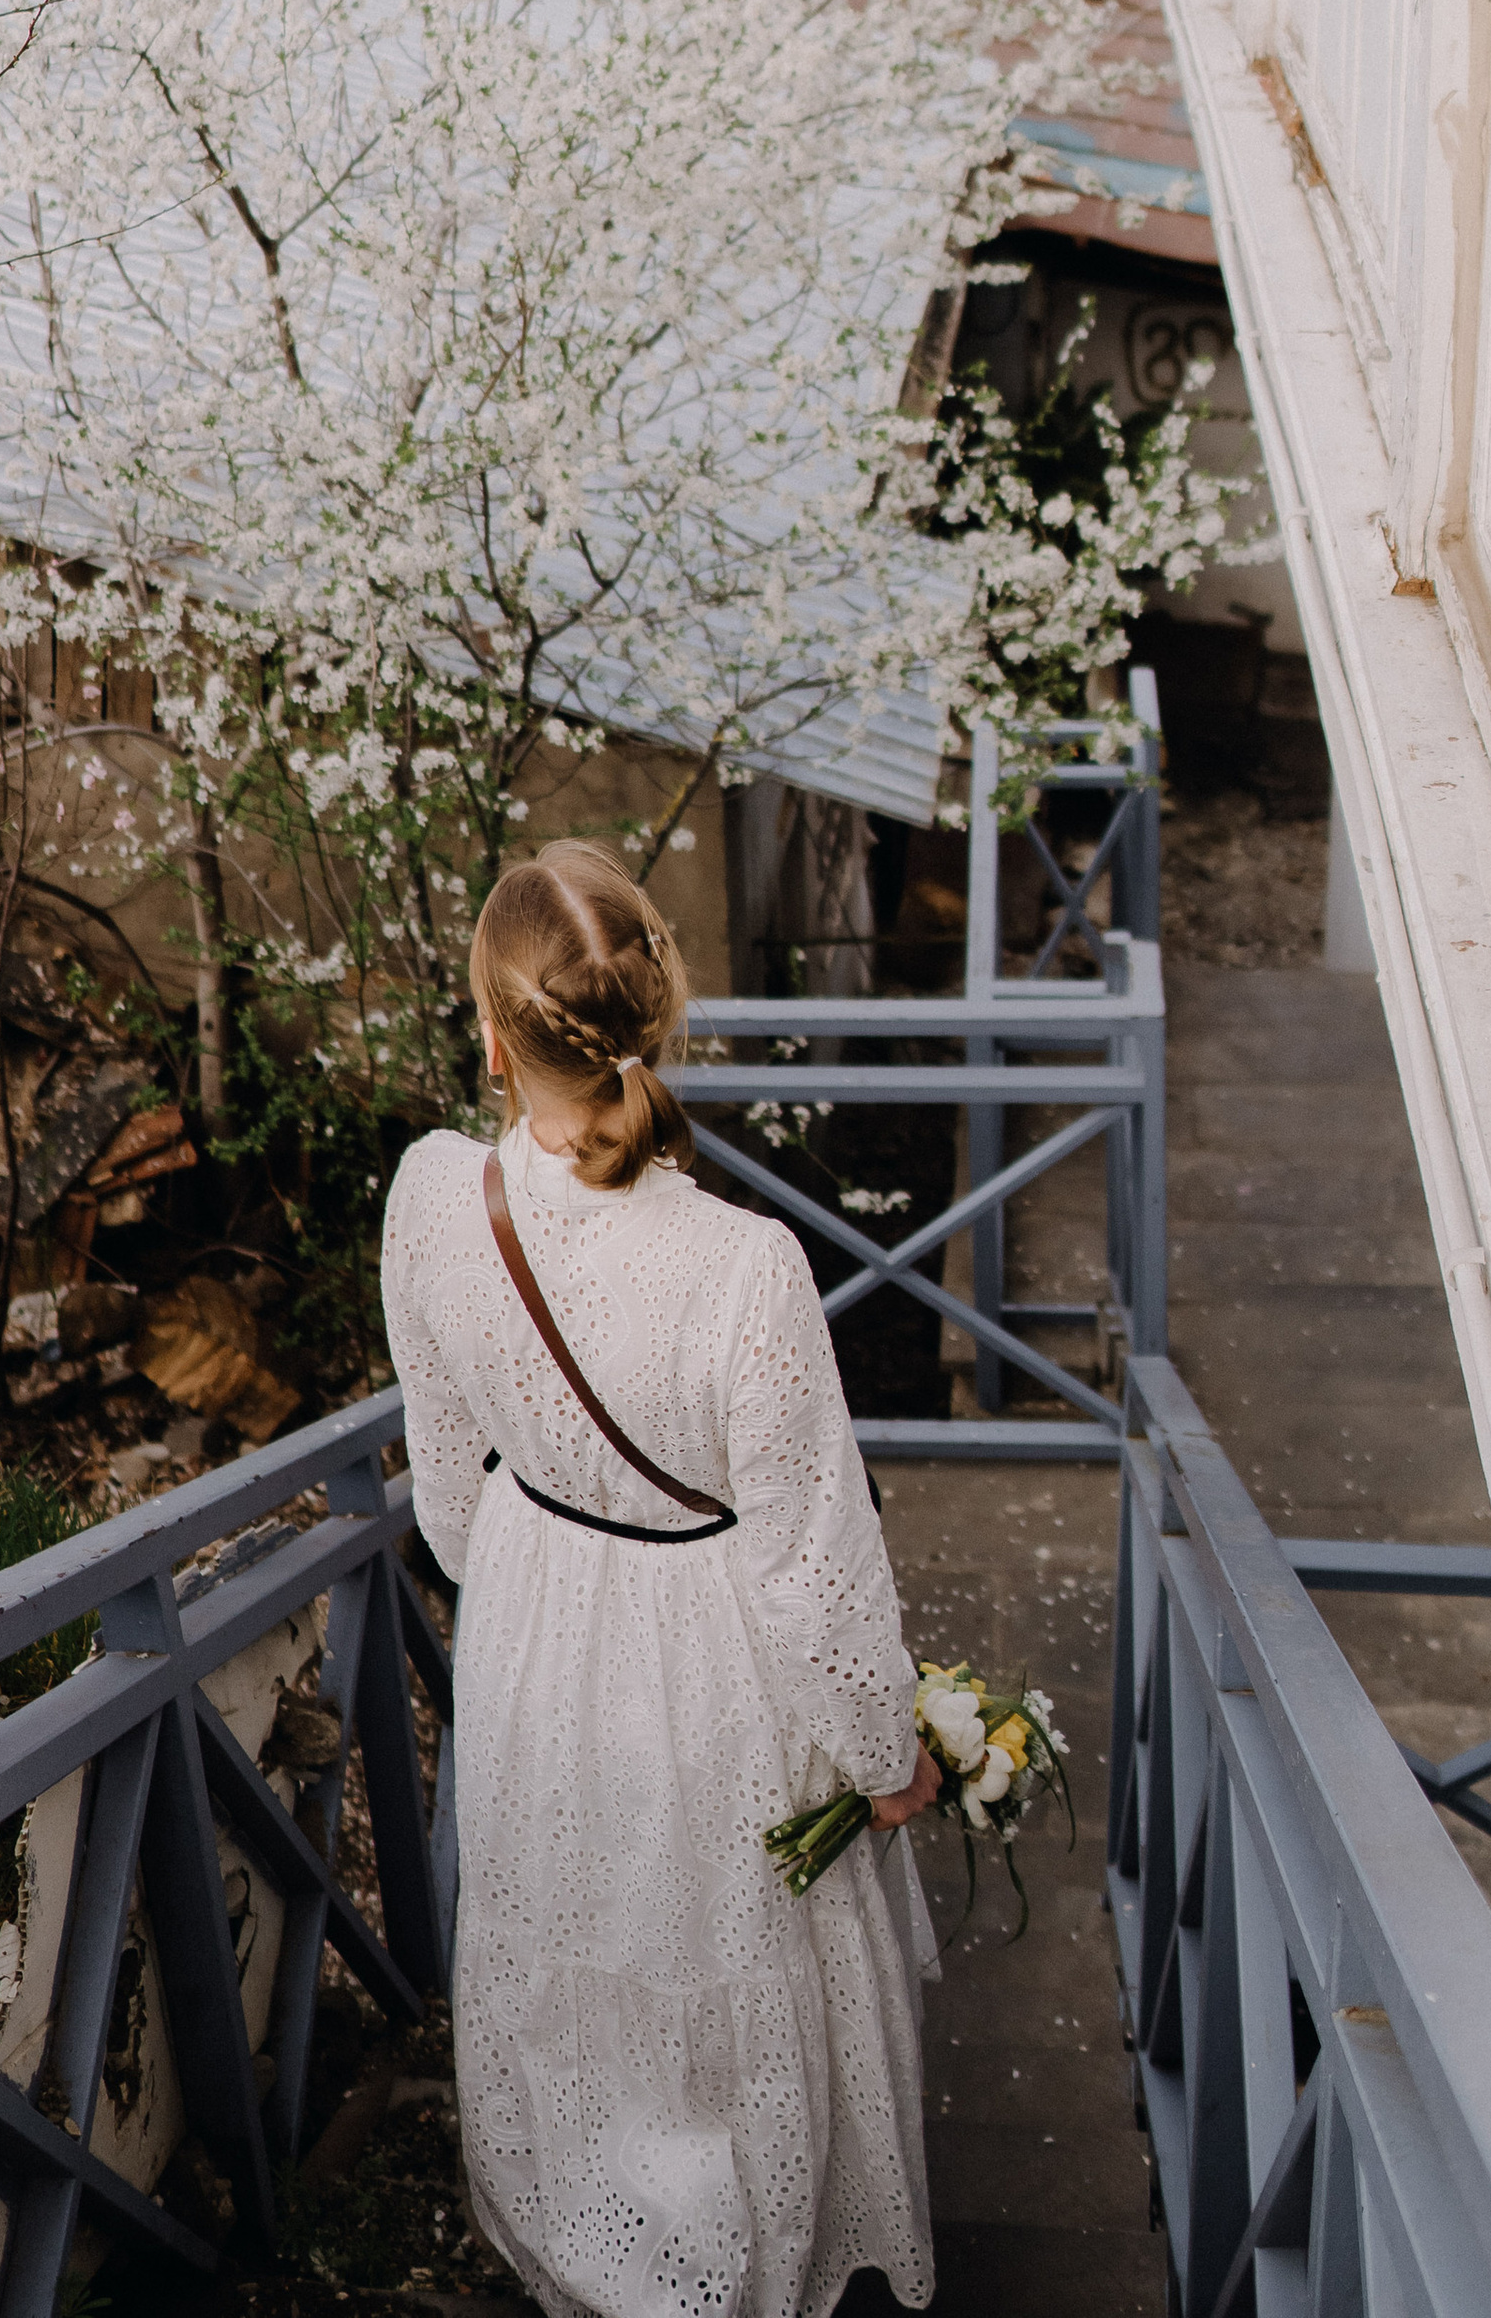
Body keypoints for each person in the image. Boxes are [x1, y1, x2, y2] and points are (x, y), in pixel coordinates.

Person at [380, 837, 940, 2318]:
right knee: (715, 1962)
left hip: (530, 1614)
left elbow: (445, 1495)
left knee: (567, 1952)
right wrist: (889, 1756)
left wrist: (537, 1578)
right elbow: (813, 1560)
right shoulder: (743, 1264)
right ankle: (719, 2269)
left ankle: (591, 2250)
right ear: (656, 1021)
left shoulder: (434, 1202)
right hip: (706, 1644)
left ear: (493, 1036)